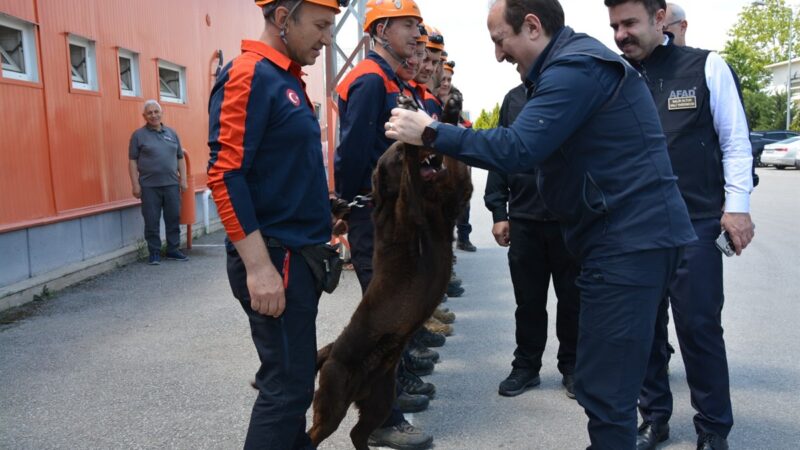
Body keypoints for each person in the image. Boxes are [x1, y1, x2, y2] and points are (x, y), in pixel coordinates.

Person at [386, 0, 697, 448]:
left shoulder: (575, 69)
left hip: (629, 242)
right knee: (600, 377)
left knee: (607, 388)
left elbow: (518, 148)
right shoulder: (570, 65)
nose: (498, 54)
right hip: (618, 239)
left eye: (500, 41)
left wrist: (432, 132)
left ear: (531, 26)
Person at [606, 1, 755, 449]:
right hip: (635, 228)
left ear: (659, 19)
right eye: (614, 26)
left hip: (695, 224)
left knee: (700, 328)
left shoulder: (706, 66)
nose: (620, 35)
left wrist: (738, 206)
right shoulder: (613, 76)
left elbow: (735, 141)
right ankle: (654, 418)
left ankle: (712, 429)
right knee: (645, 331)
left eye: (629, 23)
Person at [206, 1, 345, 448]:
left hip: (296, 254)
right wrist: (259, 268)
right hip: (275, 258)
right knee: (286, 386)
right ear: (283, 17)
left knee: (295, 379)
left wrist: (327, 210)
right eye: (321, 26)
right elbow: (225, 174)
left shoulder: (287, 78)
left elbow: (282, 170)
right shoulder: (250, 73)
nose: (327, 39)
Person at [333, 1, 433, 448]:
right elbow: (353, 154)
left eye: (418, 25)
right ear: (380, 29)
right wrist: (352, 209)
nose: (417, 33)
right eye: (409, 25)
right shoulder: (371, 80)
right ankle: (380, 421)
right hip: (375, 217)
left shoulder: (392, 80)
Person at [484, 83, 580, 399]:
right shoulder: (513, 99)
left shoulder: (573, 90)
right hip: (524, 220)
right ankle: (526, 367)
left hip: (570, 220)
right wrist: (499, 210)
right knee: (528, 302)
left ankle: (574, 367)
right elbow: (501, 152)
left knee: (574, 301)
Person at [128, 99, 189, 265]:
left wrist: (183, 179)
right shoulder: (138, 135)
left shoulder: (172, 133)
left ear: (161, 113)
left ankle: (173, 250)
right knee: (151, 220)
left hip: (171, 184)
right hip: (149, 186)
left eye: (156, 112)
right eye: (150, 113)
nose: (153, 115)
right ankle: (154, 252)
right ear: (144, 116)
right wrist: (135, 184)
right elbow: (132, 161)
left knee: (173, 218)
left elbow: (180, 157)